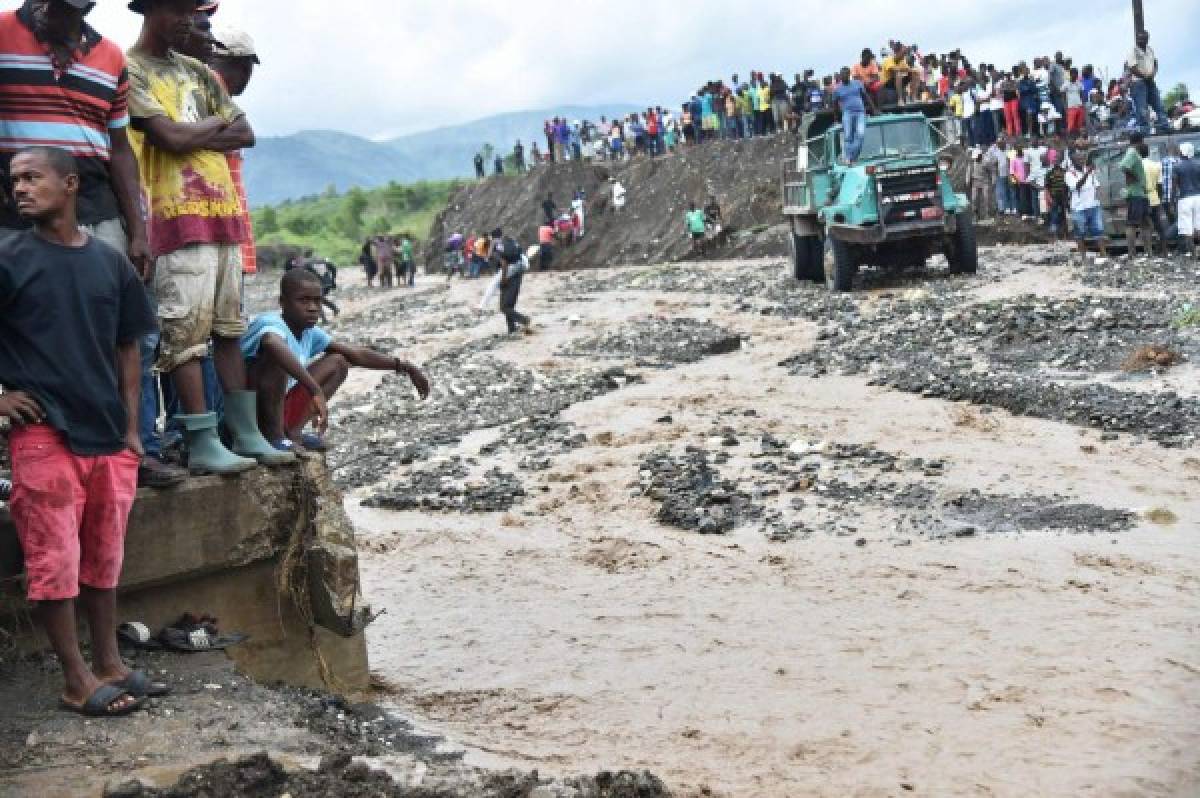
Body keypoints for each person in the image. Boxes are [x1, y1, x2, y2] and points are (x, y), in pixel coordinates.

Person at [0, 145, 166, 718]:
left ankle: (111, 664)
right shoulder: (7, 258)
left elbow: (129, 347)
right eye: (14, 179)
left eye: (32, 177)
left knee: (102, 558)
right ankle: (76, 679)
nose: (20, 187)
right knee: (55, 563)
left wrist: (131, 431)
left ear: (70, 184)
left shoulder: (109, 262)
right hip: (45, 434)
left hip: (109, 439)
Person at [0, 0, 186, 490]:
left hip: (96, 203)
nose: (53, 11)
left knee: (126, 332)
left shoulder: (108, 56)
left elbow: (120, 147)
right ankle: (22, 452)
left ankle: (130, 444)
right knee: (26, 327)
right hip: (15, 206)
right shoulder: (2, 32)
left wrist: (138, 228)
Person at [126, 0, 291, 475]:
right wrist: (209, 129)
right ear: (150, 11)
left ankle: (244, 433)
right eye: (178, 11)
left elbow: (246, 132)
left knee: (228, 330)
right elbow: (168, 140)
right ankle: (199, 438)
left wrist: (192, 132)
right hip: (175, 213)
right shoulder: (131, 69)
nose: (189, 21)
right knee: (185, 334)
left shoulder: (199, 72)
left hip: (223, 214)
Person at [242, 269, 430, 452]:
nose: (312, 308)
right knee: (276, 358)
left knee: (338, 362)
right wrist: (314, 389)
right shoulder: (270, 323)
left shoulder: (308, 332)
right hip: (249, 412)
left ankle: (292, 432)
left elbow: (354, 354)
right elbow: (270, 342)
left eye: (318, 301)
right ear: (283, 302)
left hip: (277, 407)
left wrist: (404, 366)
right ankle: (275, 437)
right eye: (303, 300)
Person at [1066, 150, 1108, 260]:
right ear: (1073, 161)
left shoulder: (1090, 171)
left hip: (1093, 205)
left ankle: (1104, 254)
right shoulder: (1069, 173)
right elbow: (1077, 186)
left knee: (1098, 231)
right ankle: (1083, 257)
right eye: (1079, 159)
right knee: (1080, 233)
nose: (1082, 161)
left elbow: (1097, 186)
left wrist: (1099, 198)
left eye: (1083, 159)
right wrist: (1087, 174)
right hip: (1079, 207)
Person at [1127, 30, 1168, 135]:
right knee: (1142, 109)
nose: (1140, 40)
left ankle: (1164, 127)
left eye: (1143, 38)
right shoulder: (1133, 51)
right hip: (1138, 82)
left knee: (1159, 105)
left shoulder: (1150, 50)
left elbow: (1155, 63)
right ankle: (1145, 132)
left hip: (1150, 81)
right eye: (1139, 38)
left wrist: (1153, 74)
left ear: (1147, 39)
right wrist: (1145, 76)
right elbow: (1132, 67)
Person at [832, 67, 875, 164]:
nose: (843, 76)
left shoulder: (858, 83)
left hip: (860, 112)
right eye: (841, 74)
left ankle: (851, 156)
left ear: (849, 75)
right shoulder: (837, 89)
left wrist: (873, 109)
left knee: (860, 134)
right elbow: (834, 105)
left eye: (845, 74)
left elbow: (866, 96)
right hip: (847, 113)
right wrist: (836, 118)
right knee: (848, 136)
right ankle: (849, 159)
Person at [492, 229, 530, 334]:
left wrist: (503, 279)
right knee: (509, 305)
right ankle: (512, 329)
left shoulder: (498, 247)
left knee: (504, 307)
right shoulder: (512, 243)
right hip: (517, 275)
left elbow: (503, 263)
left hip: (507, 277)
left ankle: (524, 320)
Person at [1121, 133, 1151, 256]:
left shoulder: (1134, 153)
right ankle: (1131, 253)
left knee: (1146, 223)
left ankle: (1148, 251)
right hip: (1135, 193)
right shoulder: (1132, 152)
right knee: (1132, 224)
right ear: (1140, 141)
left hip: (1141, 193)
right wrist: (1134, 177)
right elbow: (1123, 166)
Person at [1141, 143, 1168, 255]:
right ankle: (1164, 250)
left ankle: (1149, 252)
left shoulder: (1138, 166)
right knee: (1159, 226)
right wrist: (1159, 199)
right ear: (1148, 152)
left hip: (1142, 198)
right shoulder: (1156, 165)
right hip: (1154, 197)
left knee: (1146, 226)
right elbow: (1160, 185)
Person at [1175, 142, 1200, 258]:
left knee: (1187, 229)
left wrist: (1171, 200)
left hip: (1185, 198)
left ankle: (1194, 254)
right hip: (1198, 197)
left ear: (1182, 152)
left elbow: (1175, 184)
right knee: (1198, 226)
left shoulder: (1178, 166)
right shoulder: (1198, 164)